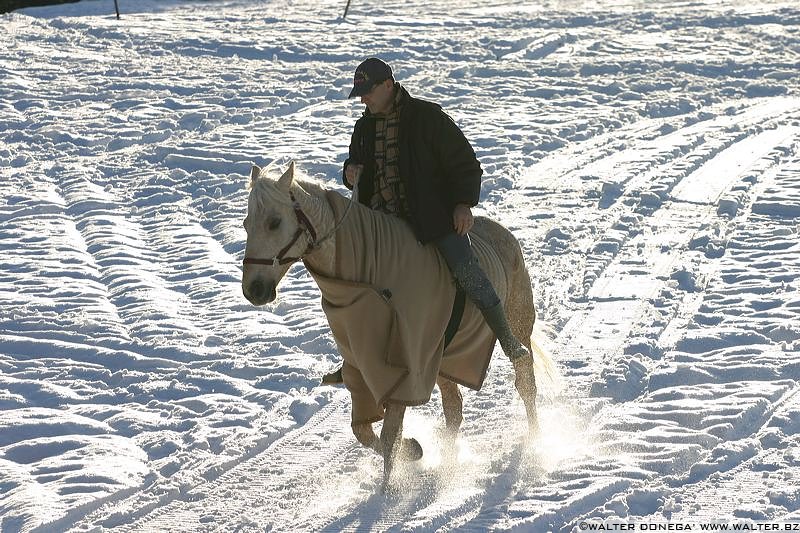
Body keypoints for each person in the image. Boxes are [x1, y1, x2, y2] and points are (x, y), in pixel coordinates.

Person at [340, 57, 529, 365]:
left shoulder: (427, 118)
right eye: (359, 93)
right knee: (350, 282)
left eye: (367, 91)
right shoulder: (363, 128)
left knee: (467, 269)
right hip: (380, 228)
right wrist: (349, 173)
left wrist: (462, 204)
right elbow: (354, 167)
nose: (362, 99)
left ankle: (507, 338)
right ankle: (353, 360)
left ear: (388, 85)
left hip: (428, 221)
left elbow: (466, 164)